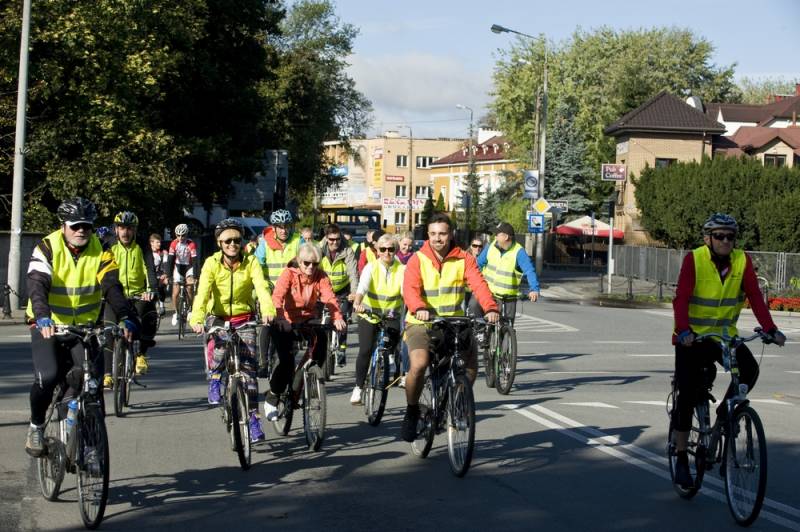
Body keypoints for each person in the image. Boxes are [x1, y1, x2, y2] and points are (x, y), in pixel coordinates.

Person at [670, 213, 786, 489]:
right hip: (693, 338)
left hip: (724, 337)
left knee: (750, 370)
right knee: (687, 393)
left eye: (730, 236)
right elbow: (682, 298)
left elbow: (755, 296)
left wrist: (770, 328)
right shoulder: (695, 259)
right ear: (708, 239)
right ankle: (682, 456)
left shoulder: (741, 260)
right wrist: (684, 331)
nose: (725, 241)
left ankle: (725, 413)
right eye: (719, 236)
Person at [24, 198, 139, 456]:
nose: (81, 231)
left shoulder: (102, 249)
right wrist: (42, 316)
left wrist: (125, 315)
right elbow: (37, 284)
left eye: (86, 226)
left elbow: (111, 286)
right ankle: (36, 426)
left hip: (85, 327)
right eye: (75, 225)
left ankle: (91, 448)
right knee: (48, 376)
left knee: (91, 384)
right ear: (63, 226)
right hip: (48, 325)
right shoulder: (47, 248)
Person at [401, 213, 499, 442]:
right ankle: (412, 410)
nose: (438, 238)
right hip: (422, 322)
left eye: (442, 234)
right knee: (419, 364)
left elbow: (479, 284)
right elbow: (410, 289)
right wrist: (418, 307)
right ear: (428, 235)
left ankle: (457, 403)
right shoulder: (418, 259)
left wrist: (490, 308)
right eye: (433, 234)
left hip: (454, 322)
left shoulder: (464, 258)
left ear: (451, 234)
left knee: (470, 365)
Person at [190, 218, 276, 442]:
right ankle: (215, 378)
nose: (232, 244)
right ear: (219, 242)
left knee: (249, 373)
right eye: (227, 240)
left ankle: (254, 419)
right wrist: (197, 318)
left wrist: (268, 310)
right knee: (219, 348)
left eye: (237, 240)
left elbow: (262, 287)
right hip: (218, 317)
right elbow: (202, 293)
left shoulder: (251, 262)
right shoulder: (211, 263)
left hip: (244, 318)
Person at [263, 244, 347, 421]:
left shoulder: (320, 276)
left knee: (320, 343)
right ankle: (273, 395)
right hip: (286, 319)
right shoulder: (288, 274)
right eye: (306, 263)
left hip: (308, 319)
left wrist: (337, 317)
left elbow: (329, 298)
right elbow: (277, 296)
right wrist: (280, 318)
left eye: (315, 264)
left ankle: (308, 377)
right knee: (286, 362)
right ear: (299, 261)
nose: (311, 267)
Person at [102, 211, 159, 387]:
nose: (125, 232)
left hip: (137, 294)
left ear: (134, 230)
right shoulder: (108, 245)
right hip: (114, 295)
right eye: (121, 228)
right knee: (108, 330)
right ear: (116, 229)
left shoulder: (141, 245)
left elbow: (149, 268)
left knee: (150, 314)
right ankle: (107, 374)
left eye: (129, 228)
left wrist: (151, 290)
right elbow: (99, 269)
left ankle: (141, 354)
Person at [351, 233, 404, 404]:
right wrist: (357, 303)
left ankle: (388, 361)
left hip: (391, 315)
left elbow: (406, 292)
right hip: (369, 313)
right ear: (378, 251)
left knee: (393, 343)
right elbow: (362, 288)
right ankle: (358, 387)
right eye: (383, 249)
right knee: (365, 350)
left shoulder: (402, 269)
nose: (387, 252)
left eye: (391, 249)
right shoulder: (371, 267)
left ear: (395, 250)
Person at [471, 223, 539, 345]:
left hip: (509, 297)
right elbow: (478, 265)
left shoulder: (519, 252)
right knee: (474, 304)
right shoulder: (491, 247)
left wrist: (534, 289)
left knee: (507, 326)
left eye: (498, 234)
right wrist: (474, 283)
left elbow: (529, 270)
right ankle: (480, 330)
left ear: (506, 237)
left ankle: (503, 350)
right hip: (489, 293)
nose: (495, 236)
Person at [318, 223, 359, 365]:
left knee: (342, 317)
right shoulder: (319, 249)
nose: (334, 242)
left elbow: (353, 273)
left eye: (337, 239)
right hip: (324, 289)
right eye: (331, 239)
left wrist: (354, 293)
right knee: (317, 319)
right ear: (326, 238)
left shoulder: (347, 251)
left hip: (342, 289)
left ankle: (342, 348)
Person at [255, 209, 302, 289]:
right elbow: (256, 267)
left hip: (292, 289)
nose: (284, 231)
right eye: (280, 227)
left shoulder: (299, 241)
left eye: (286, 227)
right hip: (271, 289)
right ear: (274, 228)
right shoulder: (265, 243)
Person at [167, 223, 198, 326]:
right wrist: (169, 275)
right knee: (175, 292)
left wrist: (196, 276)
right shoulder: (173, 244)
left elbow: (195, 261)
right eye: (178, 235)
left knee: (189, 288)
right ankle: (176, 312)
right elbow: (170, 260)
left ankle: (190, 308)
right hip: (178, 267)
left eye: (183, 235)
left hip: (189, 267)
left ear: (187, 234)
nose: (180, 238)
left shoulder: (191, 244)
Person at [146, 233, 169, 316]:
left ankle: (162, 305)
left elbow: (166, 265)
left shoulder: (163, 253)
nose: (159, 244)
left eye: (160, 242)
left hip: (159, 275)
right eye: (157, 242)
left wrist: (165, 274)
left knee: (161, 284)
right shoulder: (146, 253)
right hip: (149, 275)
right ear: (151, 243)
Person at [463, 236, 484, 310]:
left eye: (480, 246)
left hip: (477, 291)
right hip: (464, 290)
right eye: (475, 246)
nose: (477, 248)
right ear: (471, 246)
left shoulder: (483, 259)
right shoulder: (465, 257)